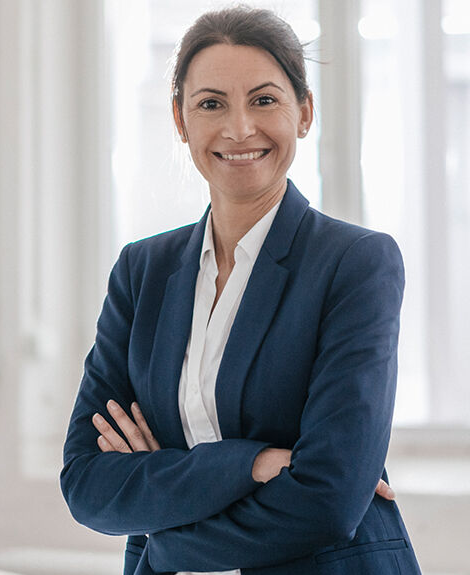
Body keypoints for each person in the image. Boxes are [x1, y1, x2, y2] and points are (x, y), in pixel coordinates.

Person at [60, 6, 421, 575]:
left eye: (264, 100)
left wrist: (166, 528)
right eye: (210, 104)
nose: (239, 129)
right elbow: (87, 483)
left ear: (303, 112)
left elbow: (329, 499)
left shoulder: (354, 264)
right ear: (181, 121)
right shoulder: (142, 272)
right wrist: (250, 465)